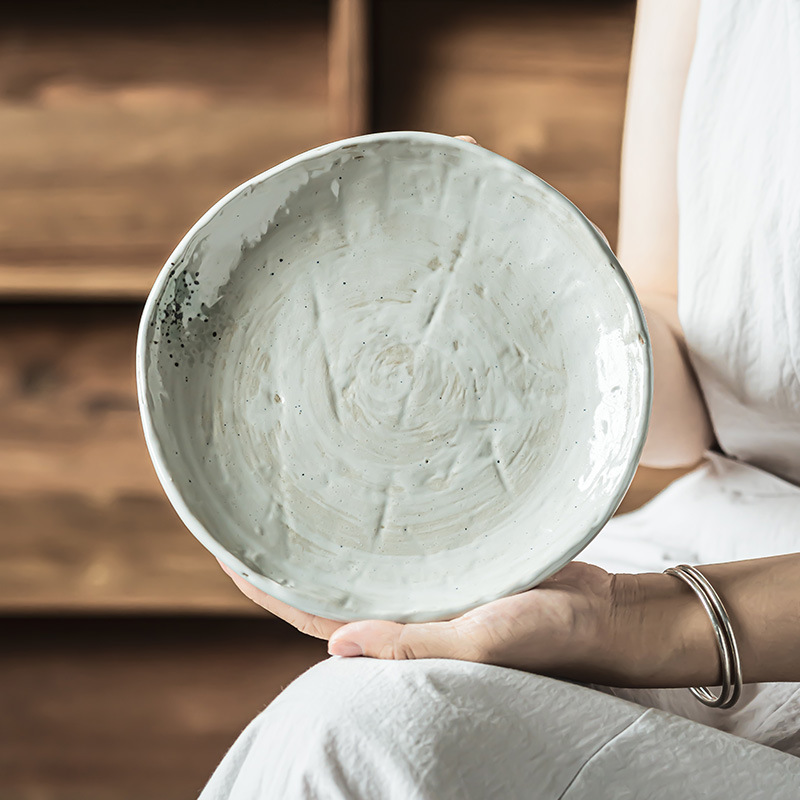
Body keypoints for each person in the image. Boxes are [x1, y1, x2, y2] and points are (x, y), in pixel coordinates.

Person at [199, 0, 800, 796]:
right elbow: (679, 378)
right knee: (358, 729)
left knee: (371, 736)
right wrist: (538, 290)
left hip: (745, 609)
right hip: (715, 529)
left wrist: (636, 622)